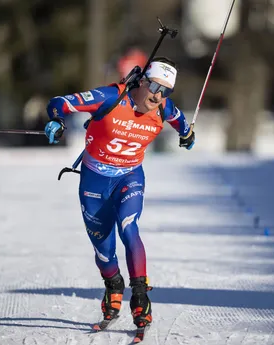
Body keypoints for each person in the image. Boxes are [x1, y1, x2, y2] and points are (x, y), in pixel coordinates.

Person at [44, 57, 195, 328]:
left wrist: (187, 134)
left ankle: (140, 295)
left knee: (129, 227)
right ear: (143, 81)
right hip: (95, 181)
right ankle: (113, 283)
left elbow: (179, 120)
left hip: (129, 176)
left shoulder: (163, 107)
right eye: (156, 87)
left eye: (166, 91)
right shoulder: (110, 97)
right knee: (103, 251)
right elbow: (60, 102)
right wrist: (57, 120)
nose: (159, 96)